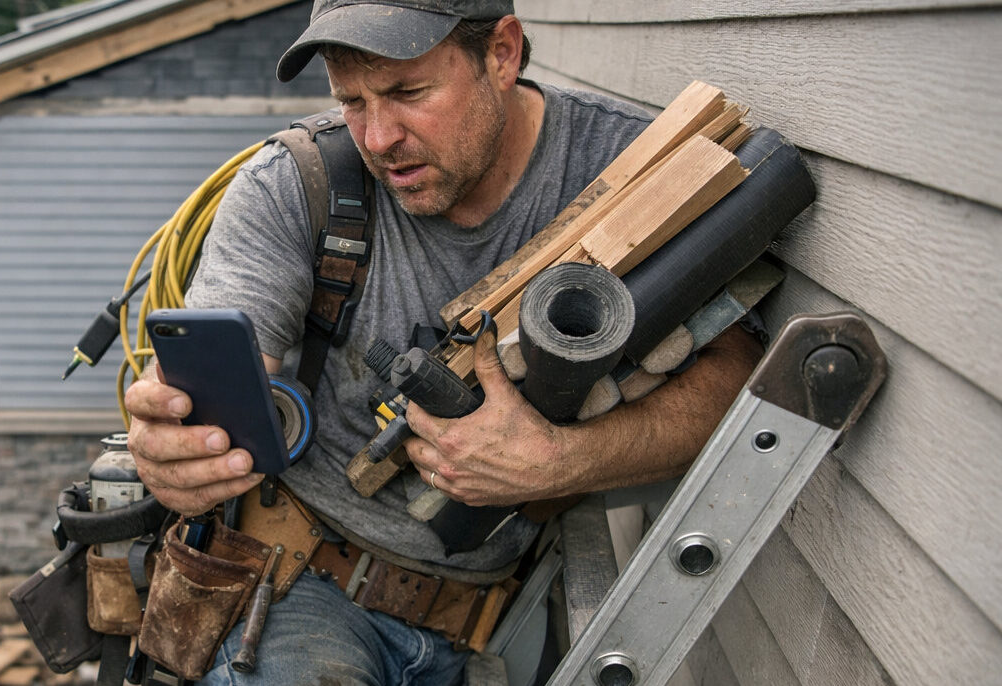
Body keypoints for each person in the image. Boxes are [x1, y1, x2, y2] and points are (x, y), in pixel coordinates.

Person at [123, 0, 764, 683]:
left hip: (495, 617)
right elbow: (222, 384)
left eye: (407, 93)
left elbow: (737, 374)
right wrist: (177, 450)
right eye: (351, 101)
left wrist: (561, 462)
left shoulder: (633, 176)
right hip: (301, 590)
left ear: (503, 54)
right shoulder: (293, 188)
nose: (376, 137)